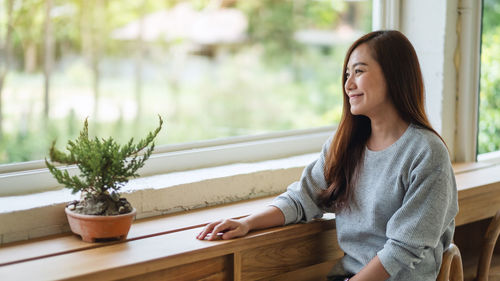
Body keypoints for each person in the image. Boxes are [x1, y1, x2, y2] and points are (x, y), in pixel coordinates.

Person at [196, 30, 458, 281]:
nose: (348, 84)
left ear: (393, 75)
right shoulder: (344, 145)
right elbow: (303, 198)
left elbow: (403, 248)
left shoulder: (426, 152)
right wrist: (247, 223)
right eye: (347, 74)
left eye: (359, 71)